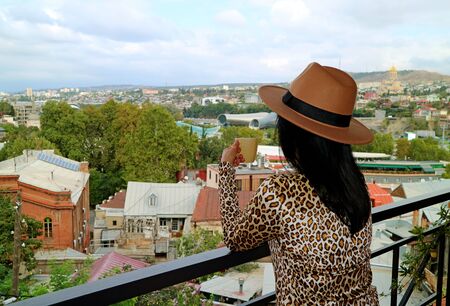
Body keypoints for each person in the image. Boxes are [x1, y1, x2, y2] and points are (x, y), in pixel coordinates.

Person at [219, 62, 379, 305]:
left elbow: (235, 238)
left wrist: (225, 170)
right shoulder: (355, 186)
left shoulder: (280, 192)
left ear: (292, 134)